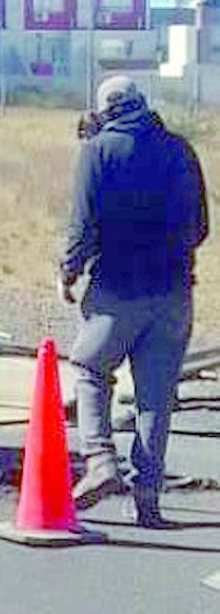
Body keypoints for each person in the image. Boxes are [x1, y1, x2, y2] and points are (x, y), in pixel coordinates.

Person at [61, 75, 208, 528]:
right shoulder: (180, 149)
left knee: (89, 368)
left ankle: (101, 461)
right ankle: (148, 500)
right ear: (143, 104)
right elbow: (201, 227)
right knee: (155, 398)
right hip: (175, 291)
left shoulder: (98, 150)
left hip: (117, 289)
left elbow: (82, 227)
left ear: (106, 110)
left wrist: (69, 271)